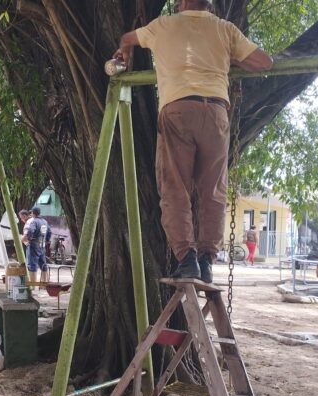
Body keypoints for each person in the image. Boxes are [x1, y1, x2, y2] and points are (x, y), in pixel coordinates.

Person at [115, 0, 273, 283]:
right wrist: (227, 57)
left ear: (180, 3)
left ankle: (187, 259)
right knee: (213, 190)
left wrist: (125, 54)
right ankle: (206, 260)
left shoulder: (163, 25)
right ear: (209, 5)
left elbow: (128, 38)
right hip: (215, 111)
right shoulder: (224, 29)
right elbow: (264, 62)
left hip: (177, 109)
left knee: (174, 186)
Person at [22, 206, 50, 283]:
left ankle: (33, 285)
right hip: (42, 245)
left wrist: (29, 239)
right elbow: (49, 232)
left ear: (33, 213)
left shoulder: (34, 221)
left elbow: (30, 230)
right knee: (43, 264)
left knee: (32, 265)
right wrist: (46, 241)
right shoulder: (45, 222)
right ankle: (44, 283)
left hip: (33, 245)